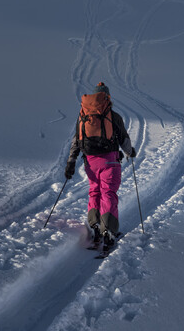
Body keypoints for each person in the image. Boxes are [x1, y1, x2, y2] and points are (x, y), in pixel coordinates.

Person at [64, 82, 136, 245]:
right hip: (109, 161)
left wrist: (71, 162)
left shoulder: (83, 116)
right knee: (108, 193)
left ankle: (94, 225)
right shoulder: (113, 116)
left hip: (89, 162)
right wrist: (130, 152)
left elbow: (76, 141)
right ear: (107, 98)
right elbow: (124, 140)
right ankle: (108, 231)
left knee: (94, 191)